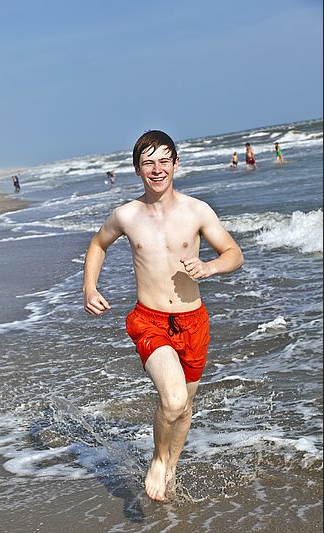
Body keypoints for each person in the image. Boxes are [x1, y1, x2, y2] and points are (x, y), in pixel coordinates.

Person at [83, 130, 244, 501]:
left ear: (175, 163)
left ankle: (169, 471)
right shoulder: (126, 215)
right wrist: (90, 288)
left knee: (183, 407)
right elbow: (97, 244)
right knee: (172, 399)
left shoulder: (197, 210)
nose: (157, 169)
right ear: (138, 169)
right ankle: (158, 460)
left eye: (163, 160)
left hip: (193, 321)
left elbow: (233, 253)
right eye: (148, 162)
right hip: (149, 320)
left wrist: (210, 267)